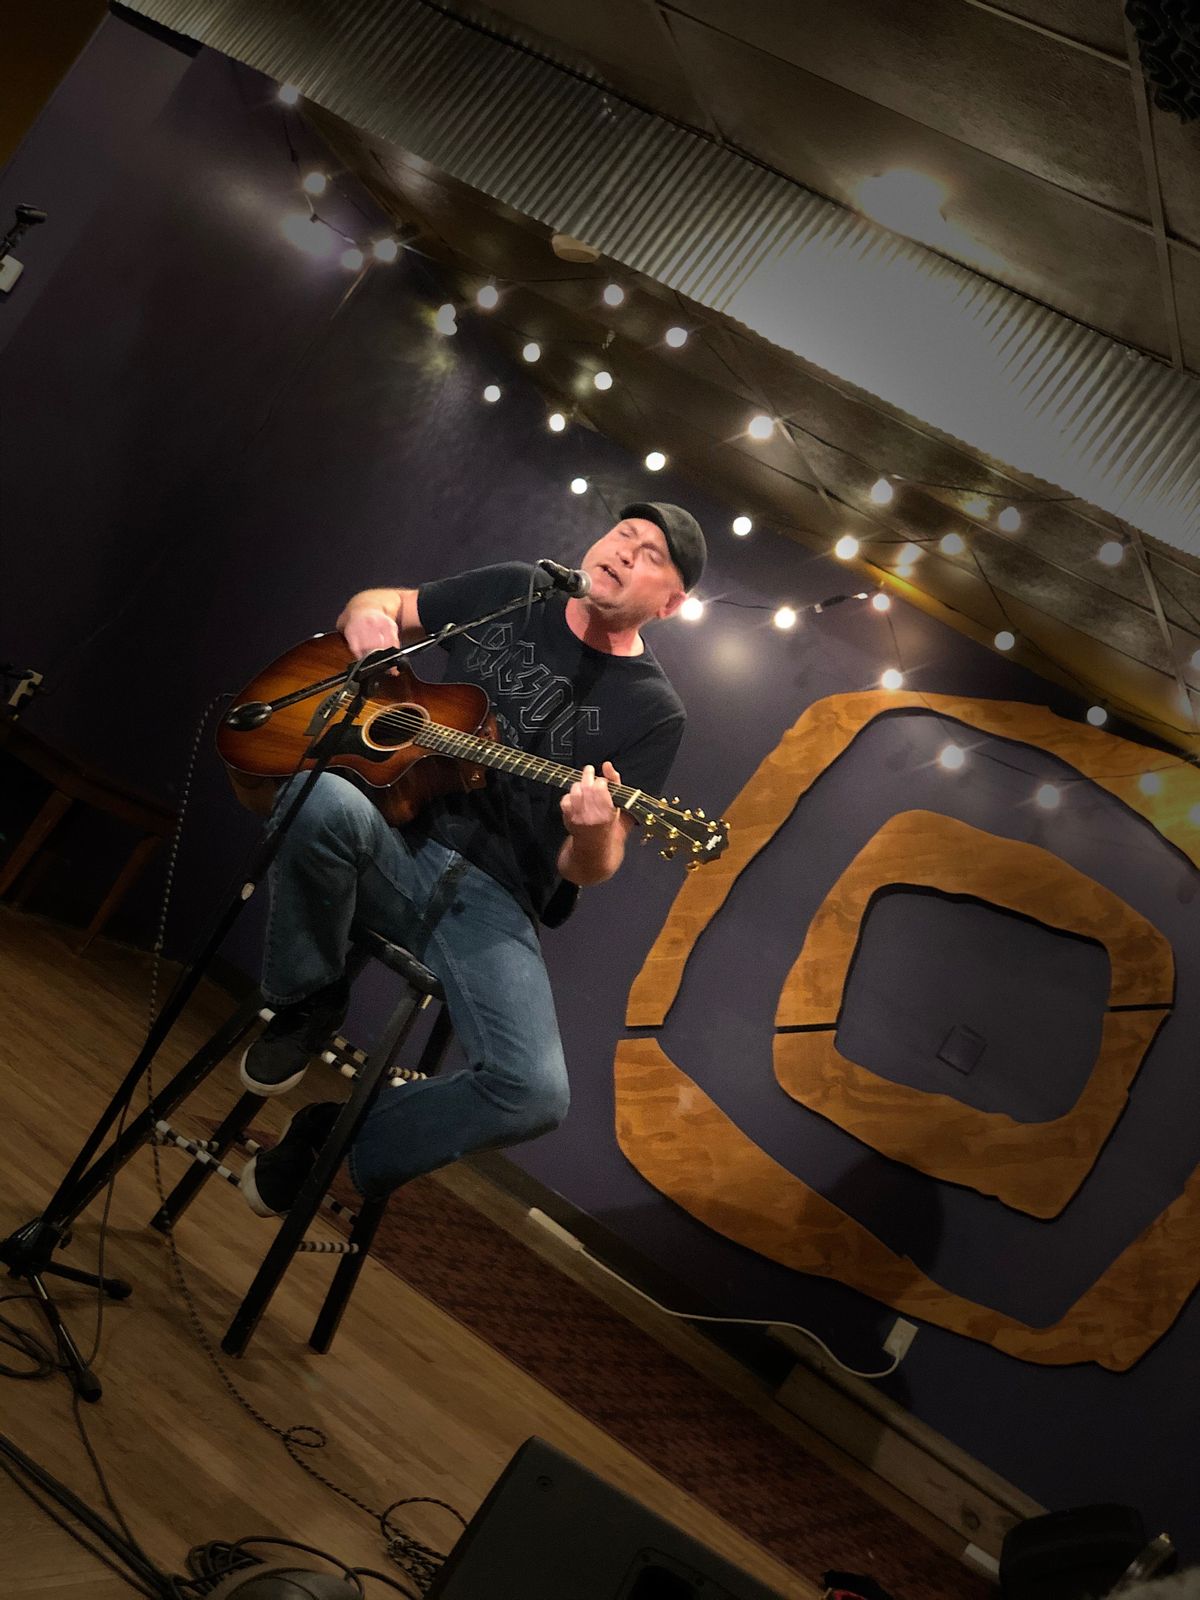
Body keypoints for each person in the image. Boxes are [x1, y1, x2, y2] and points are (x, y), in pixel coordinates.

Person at [237, 501, 705, 1217]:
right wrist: (367, 618)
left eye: (650, 556)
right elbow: (390, 603)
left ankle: (331, 1138)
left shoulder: (655, 710)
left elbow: (590, 867)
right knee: (315, 793)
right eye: (623, 535)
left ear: (670, 603)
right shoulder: (518, 588)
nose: (623, 552)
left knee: (535, 1093)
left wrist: (589, 832)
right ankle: (306, 1000)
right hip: (395, 840)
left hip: (493, 905)